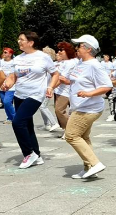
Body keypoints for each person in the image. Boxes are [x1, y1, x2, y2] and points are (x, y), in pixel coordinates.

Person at [59, 35, 112, 179]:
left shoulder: (95, 65)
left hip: (88, 108)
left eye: (79, 45)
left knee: (71, 136)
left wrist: (89, 93)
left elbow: (107, 85)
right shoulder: (81, 63)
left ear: (89, 49)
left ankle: (95, 164)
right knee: (83, 137)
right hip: (80, 106)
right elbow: (81, 81)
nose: (76, 48)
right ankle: (88, 167)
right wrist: (68, 81)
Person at [1, 31, 57, 168]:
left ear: (31, 42)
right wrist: (7, 83)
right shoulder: (18, 58)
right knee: (27, 125)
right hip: (19, 94)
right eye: (18, 39)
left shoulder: (43, 57)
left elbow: (55, 74)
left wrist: (50, 87)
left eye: (22, 39)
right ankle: (36, 155)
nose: (19, 41)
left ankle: (28, 153)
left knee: (17, 122)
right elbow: (14, 76)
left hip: (36, 94)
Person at [52, 42, 78, 131]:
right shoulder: (63, 62)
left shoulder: (71, 62)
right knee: (62, 111)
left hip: (66, 91)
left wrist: (50, 88)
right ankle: (67, 129)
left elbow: (61, 79)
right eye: (58, 50)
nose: (58, 52)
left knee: (59, 111)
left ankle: (70, 129)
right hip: (59, 90)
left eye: (61, 50)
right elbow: (58, 76)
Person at [38, 47, 62, 132]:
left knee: (43, 106)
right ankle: (47, 124)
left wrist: (52, 87)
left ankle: (54, 123)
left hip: (49, 88)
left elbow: (58, 77)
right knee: (41, 106)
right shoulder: (45, 64)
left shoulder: (53, 65)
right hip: (43, 88)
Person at [0, 48, 16, 123]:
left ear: (10, 54)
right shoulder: (0, 62)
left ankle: (15, 117)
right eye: (3, 52)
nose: (4, 53)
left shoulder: (14, 62)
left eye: (5, 52)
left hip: (11, 86)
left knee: (7, 102)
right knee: (5, 103)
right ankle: (9, 118)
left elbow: (15, 75)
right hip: (1, 85)